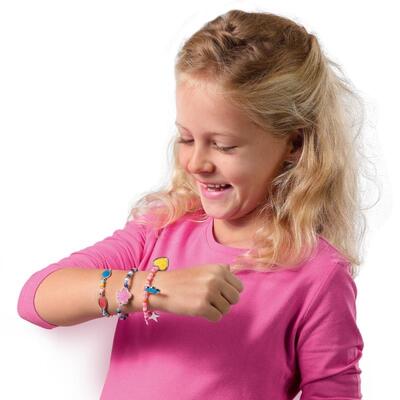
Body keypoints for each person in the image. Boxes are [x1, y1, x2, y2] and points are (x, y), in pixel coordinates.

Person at [17, 9, 367, 400]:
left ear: (294, 144)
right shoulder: (162, 229)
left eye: (224, 145)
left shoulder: (318, 275)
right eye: (186, 138)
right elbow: (36, 298)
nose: (197, 163)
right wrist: (156, 288)